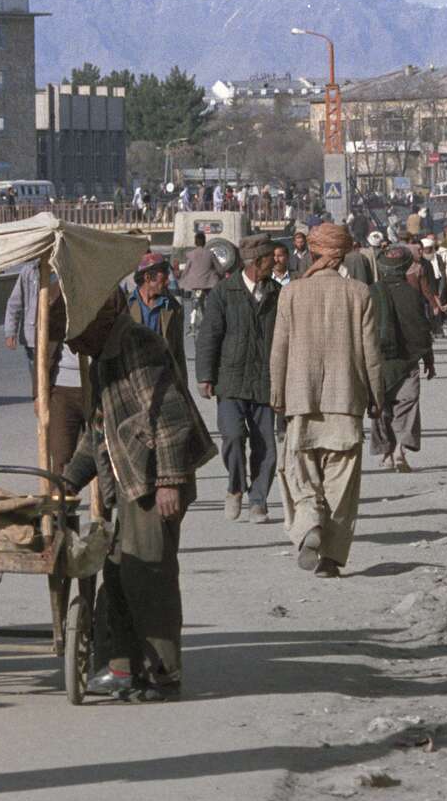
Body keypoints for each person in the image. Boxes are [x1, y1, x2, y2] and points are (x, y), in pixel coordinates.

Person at [65, 289, 217, 701]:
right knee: (117, 572)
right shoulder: (102, 360)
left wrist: (168, 481)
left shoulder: (137, 345)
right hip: (132, 480)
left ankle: (162, 675)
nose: (72, 344)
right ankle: (123, 667)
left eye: (78, 334)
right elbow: (97, 430)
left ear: (104, 316)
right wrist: (68, 480)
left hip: (154, 481)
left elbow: (167, 414)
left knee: (149, 577)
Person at [270, 222, 386, 579]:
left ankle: (309, 525)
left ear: (316, 253)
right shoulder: (359, 293)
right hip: (346, 400)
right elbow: (371, 353)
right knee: (341, 482)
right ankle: (331, 559)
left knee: (300, 473)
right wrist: (376, 397)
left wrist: (277, 393)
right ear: (341, 255)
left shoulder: (291, 293)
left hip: (301, 399)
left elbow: (279, 350)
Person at [198, 235, 282, 523]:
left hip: (264, 381)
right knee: (233, 436)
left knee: (266, 447)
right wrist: (205, 376)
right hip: (230, 379)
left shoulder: (277, 293)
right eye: (271, 258)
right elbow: (209, 335)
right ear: (257, 261)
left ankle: (258, 500)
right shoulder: (224, 292)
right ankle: (235, 487)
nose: (276, 262)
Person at [368, 245, 433, 473]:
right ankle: (399, 452)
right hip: (407, 362)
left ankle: (387, 451)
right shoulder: (412, 294)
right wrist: (429, 359)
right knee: (408, 405)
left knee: (380, 408)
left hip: (377, 363)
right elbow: (421, 329)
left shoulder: (370, 292)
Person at [128, 252, 188, 383]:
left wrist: (182, 386)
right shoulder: (125, 306)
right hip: (133, 379)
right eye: (164, 278)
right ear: (148, 277)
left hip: (163, 379)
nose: (168, 282)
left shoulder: (173, 308)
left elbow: (178, 352)